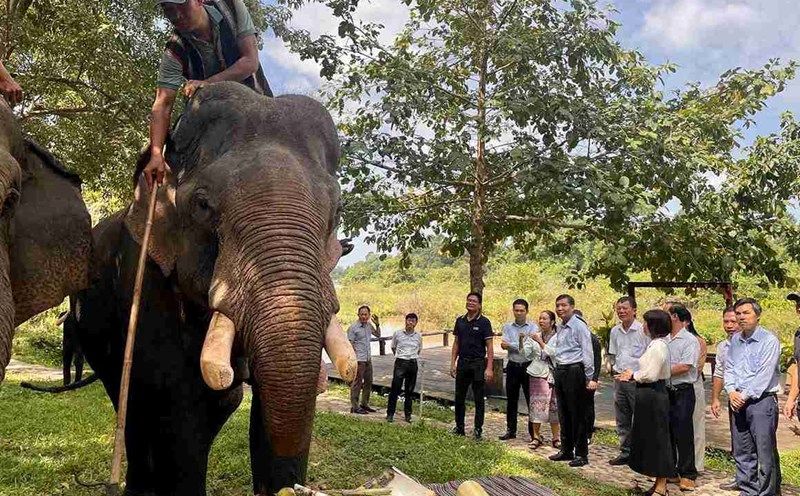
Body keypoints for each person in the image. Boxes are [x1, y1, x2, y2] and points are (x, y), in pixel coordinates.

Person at [144, 0, 272, 188]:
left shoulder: (232, 7)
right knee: (172, 160)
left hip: (258, 105)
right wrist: (156, 154)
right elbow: (163, 105)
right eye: (169, 10)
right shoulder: (174, 51)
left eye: (182, 6)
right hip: (211, 124)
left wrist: (208, 83)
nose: (176, 15)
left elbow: (250, 61)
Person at [725, 298, 782, 496]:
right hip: (737, 401)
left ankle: (768, 492)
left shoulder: (769, 341)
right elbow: (729, 368)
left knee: (765, 452)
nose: (741, 317)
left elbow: (764, 375)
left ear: (757, 315)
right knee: (743, 451)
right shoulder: (735, 340)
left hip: (761, 402)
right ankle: (748, 490)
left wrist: (743, 395)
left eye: (746, 313)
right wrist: (731, 391)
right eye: (738, 313)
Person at [616, 309, 676, 496]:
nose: (643, 326)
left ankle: (661, 486)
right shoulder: (654, 344)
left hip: (653, 393)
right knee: (650, 438)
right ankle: (658, 484)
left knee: (658, 439)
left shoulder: (658, 346)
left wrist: (633, 375)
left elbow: (651, 374)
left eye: (646, 322)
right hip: (647, 393)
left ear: (653, 325)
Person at [531, 294, 594, 467]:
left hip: (575, 370)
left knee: (577, 413)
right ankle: (566, 450)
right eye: (557, 305)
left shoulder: (579, 326)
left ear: (572, 307)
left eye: (564, 305)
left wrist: (588, 377)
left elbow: (588, 352)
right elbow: (558, 351)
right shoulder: (560, 327)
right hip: (561, 370)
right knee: (563, 412)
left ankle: (581, 454)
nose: (560, 309)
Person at [607, 296, 649, 465]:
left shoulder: (643, 330)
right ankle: (625, 451)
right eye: (619, 308)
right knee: (622, 417)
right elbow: (613, 353)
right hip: (619, 378)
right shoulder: (615, 331)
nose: (621, 311)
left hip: (636, 380)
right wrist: (612, 369)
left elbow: (648, 356)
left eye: (625, 308)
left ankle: (642, 453)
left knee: (640, 417)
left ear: (634, 310)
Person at [450, 292, 494, 441]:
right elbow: (456, 343)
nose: (470, 303)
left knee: (478, 398)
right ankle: (459, 427)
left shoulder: (484, 322)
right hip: (463, 363)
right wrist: (453, 363)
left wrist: (489, 368)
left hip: (478, 364)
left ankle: (477, 429)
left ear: (479, 305)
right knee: (459, 397)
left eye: (474, 301)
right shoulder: (460, 321)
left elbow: (490, 346)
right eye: (469, 300)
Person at [666, 303, 700, 491]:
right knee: (667, 432)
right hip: (665, 390)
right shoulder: (664, 338)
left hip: (683, 391)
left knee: (683, 433)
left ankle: (688, 474)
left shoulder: (689, 340)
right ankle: (670, 470)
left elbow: (685, 366)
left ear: (675, 317)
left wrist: (660, 371)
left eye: (667, 314)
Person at [520, 310, 560, 449]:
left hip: (553, 373)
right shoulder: (535, 335)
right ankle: (536, 437)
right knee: (536, 405)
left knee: (554, 406)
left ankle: (556, 437)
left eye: (545, 319)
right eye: (540, 318)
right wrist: (521, 341)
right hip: (537, 373)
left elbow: (554, 353)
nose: (541, 321)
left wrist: (541, 342)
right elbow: (526, 354)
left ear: (552, 322)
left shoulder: (558, 336)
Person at [711, 306, 741, 492]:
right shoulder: (723, 346)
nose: (729, 325)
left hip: (753, 398)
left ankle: (768, 484)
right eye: (726, 321)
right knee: (738, 440)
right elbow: (719, 372)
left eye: (733, 321)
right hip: (733, 397)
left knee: (762, 444)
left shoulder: (754, 343)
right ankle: (741, 477)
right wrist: (715, 398)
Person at [499, 299, 535, 441]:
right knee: (511, 399)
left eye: (522, 310)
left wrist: (512, 345)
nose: (519, 313)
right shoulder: (507, 327)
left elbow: (529, 348)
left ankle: (533, 433)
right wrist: (520, 344)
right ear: (513, 311)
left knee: (531, 400)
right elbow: (503, 345)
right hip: (512, 365)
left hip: (528, 366)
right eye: (516, 310)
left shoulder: (533, 327)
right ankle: (511, 430)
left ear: (527, 311)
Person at [386, 313, 422, 423]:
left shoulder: (418, 336)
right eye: (409, 320)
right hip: (400, 363)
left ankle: (408, 415)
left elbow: (419, 350)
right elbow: (393, 347)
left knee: (409, 391)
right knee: (395, 389)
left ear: (416, 323)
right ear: (405, 321)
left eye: (413, 321)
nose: (410, 323)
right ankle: (390, 414)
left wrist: (411, 357)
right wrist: (401, 357)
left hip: (412, 363)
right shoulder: (397, 333)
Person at [347, 305, 381, 415]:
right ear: (358, 315)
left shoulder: (369, 325)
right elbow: (350, 343)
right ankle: (355, 406)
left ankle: (364, 404)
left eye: (366, 314)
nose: (364, 316)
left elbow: (378, 335)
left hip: (368, 358)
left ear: (369, 315)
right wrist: (353, 359)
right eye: (361, 314)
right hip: (359, 359)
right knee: (357, 383)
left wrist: (377, 324)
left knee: (368, 382)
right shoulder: (353, 328)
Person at [575, 309, 601, 445]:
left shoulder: (592, 338)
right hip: (573, 377)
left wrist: (594, 379)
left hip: (588, 379)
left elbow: (597, 361)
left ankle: (588, 433)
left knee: (587, 406)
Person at [686, 316, 708, 473]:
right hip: (674, 386)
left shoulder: (698, 341)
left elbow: (697, 368)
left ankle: (696, 464)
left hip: (693, 384)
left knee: (696, 425)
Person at [784, 292, 800, 421]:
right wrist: (791, 399)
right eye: (798, 304)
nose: (799, 308)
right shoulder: (798, 334)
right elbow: (798, 368)